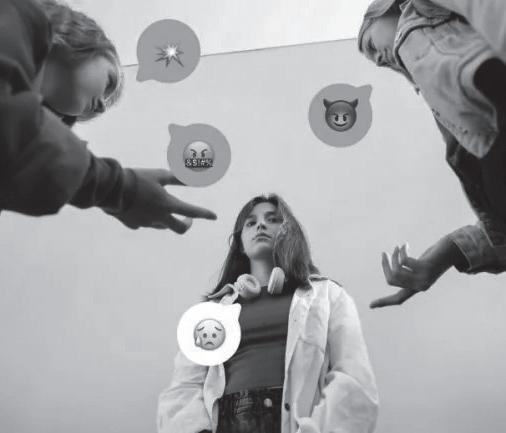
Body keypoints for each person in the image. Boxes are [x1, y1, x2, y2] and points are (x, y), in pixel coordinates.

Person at [157, 194, 378, 433]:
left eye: (272, 219)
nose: (261, 225)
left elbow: (353, 377)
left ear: (289, 232)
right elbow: (184, 387)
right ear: (240, 243)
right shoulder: (213, 312)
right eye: (250, 223)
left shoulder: (328, 295)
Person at [0, 0, 216, 233]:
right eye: (109, 83)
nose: (102, 107)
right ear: (84, 37)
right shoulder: (16, 14)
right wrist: (120, 189)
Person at [357, 0, 506, 308]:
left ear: (385, 8)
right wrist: (448, 253)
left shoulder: (420, 9)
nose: (378, 60)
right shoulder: (446, 106)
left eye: (370, 45)